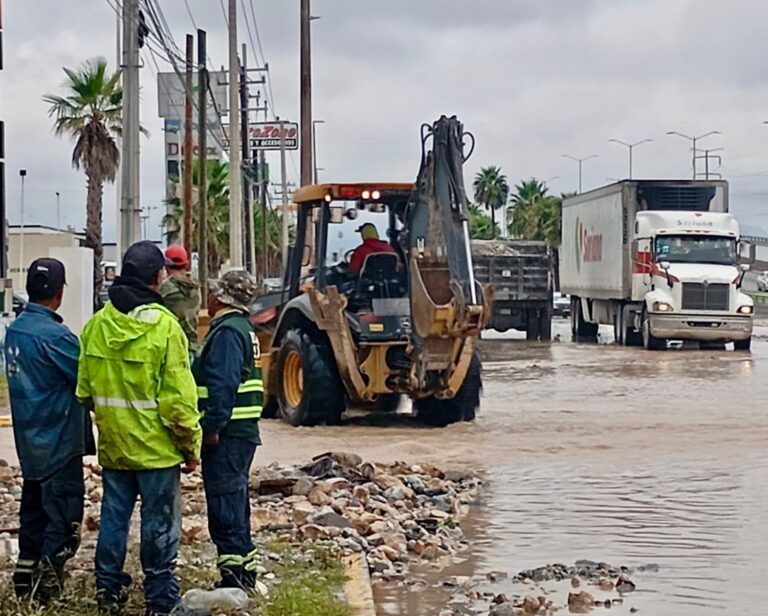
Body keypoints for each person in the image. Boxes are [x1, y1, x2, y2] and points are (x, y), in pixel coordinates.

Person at [76, 240, 201, 616]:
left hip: (115, 447)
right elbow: (179, 403)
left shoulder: (96, 325)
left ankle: (107, 589)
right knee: (159, 521)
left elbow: (84, 391)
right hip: (158, 452)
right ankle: (160, 598)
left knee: (114, 517)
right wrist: (190, 449)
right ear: (157, 277)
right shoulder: (166, 328)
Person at [4, 258, 95, 602]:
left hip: (30, 447)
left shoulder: (15, 330)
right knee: (64, 522)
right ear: (58, 295)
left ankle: (24, 585)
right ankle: (47, 590)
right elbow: (88, 378)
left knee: (33, 521)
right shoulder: (57, 338)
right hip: (59, 445)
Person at [192, 270, 263, 590]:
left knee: (225, 506)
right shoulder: (243, 329)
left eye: (213, 293)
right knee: (235, 501)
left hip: (228, 434)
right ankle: (244, 572)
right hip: (240, 432)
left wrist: (211, 427)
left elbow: (223, 385)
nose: (208, 298)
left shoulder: (227, 333)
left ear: (221, 298)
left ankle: (234, 578)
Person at [160, 245, 201, 355]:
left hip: (173, 348)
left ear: (166, 265)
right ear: (186, 264)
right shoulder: (196, 288)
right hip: (192, 346)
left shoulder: (165, 290)